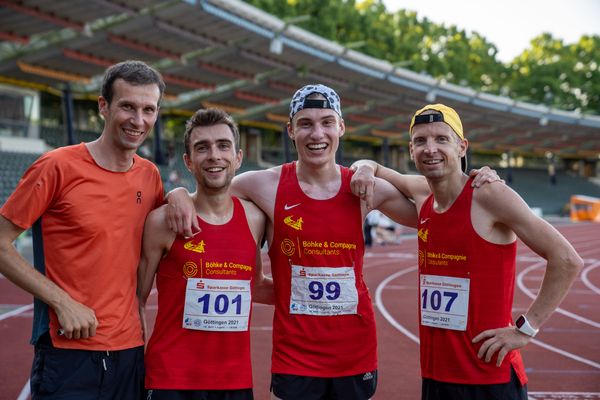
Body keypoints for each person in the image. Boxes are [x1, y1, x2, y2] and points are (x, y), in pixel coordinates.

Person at [167, 84, 499, 400]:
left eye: (327, 123)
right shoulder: (262, 185)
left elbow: (437, 202)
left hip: (354, 352)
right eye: (305, 124)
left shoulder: (361, 189)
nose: (317, 134)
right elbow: (210, 191)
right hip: (294, 356)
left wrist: (476, 179)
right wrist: (177, 193)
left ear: (340, 126)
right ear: (291, 130)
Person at [351, 104, 583, 400]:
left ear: (462, 147)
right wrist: (367, 167)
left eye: (441, 139)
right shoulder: (424, 195)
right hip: (436, 374)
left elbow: (566, 260)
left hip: (489, 376)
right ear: (411, 150)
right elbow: (371, 166)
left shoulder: (488, 194)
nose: (430, 149)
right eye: (421, 141)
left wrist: (526, 329)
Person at [0, 60, 166, 399]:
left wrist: (177, 196)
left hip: (130, 350)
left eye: (149, 109)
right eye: (128, 107)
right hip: (68, 349)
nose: (139, 120)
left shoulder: (150, 177)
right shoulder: (56, 166)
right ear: (103, 107)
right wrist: (61, 302)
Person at [137, 108, 274, 400]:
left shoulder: (256, 219)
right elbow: (136, 300)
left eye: (223, 145)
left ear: (238, 157)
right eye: (202, 148)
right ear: (188, 161)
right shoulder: (163, 222)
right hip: (169, 380)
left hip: (235, 382)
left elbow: (257, 284)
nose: (214, 155)